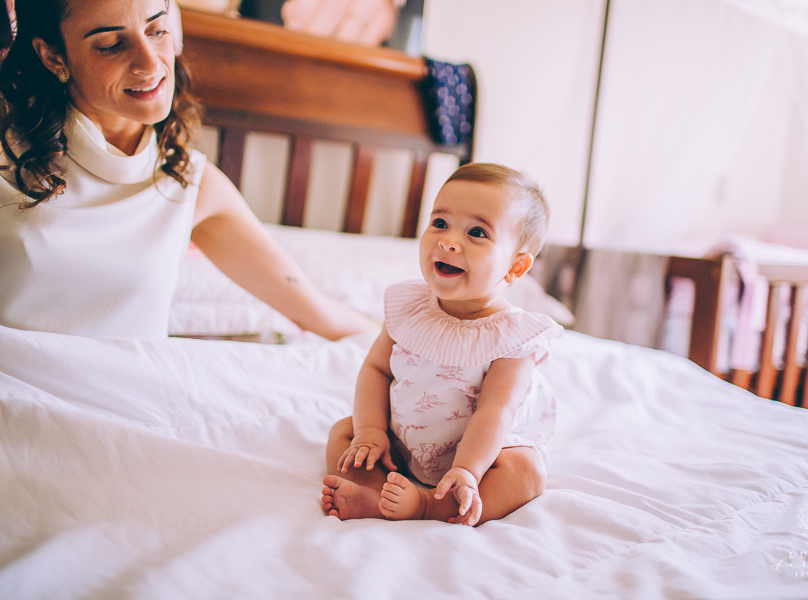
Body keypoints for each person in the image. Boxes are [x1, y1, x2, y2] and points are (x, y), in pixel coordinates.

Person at [0, 0, 374, 339]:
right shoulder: (6, 163)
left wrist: (404, 346)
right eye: (112, 44)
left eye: (156, 30)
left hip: (128, 390)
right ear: (53, 56)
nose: (151, 64)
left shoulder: (189, 181)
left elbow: (318, 312)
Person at [322, 163, 563, 526]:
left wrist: (467, 469)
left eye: (477, 232)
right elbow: (376, 369)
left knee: (527, 472)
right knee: (345, 432)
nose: (448, 241)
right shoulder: (408, 308)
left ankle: (428, 505)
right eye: (440, 223)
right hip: (402, 443)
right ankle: (374, 493)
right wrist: (371, 432)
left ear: (515, 267)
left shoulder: (513, 338)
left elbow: (495, 410)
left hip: (482, 456)